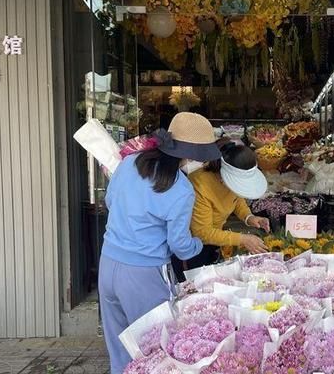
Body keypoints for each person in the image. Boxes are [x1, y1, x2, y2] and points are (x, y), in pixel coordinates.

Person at [98, 112, 221, 374]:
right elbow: (180, 245)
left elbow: (110, 201)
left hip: (108, 265)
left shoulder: (129, 162)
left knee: (119, 348)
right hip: (144, 275)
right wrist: (199, 245)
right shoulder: (180, 188)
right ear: (194, 155)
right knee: (155, 350)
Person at [173, 141, 270, 273]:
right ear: (223, 174)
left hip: (217, 237)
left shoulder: (228, 183)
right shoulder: (200, 186)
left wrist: (249, 217)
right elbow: (203, 233)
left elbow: (236, 198)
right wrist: (242, 239)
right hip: (193, 247)